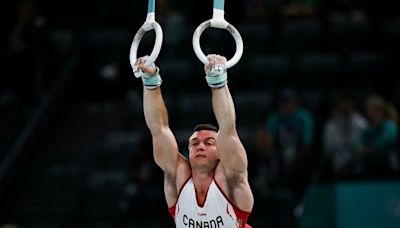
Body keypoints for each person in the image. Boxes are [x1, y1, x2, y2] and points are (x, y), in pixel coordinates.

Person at [134, 54, 253, 227]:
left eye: (209, 143)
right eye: (194, 143)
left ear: (221, 151)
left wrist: (218, 79)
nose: (200, 146)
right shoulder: (177, 176)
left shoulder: (231, 178)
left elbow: (228, 129)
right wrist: (150, 80)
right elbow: (159, 130)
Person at [322, 92, 368, 179]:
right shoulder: (331, 124)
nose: (346, 106)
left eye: (349, 103)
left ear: (353, 104)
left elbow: (364, 147)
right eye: (344, 103)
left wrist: (351, 163)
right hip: (338, 168)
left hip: (358, 169)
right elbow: (328, 149)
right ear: (339, 104)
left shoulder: (361, 123)